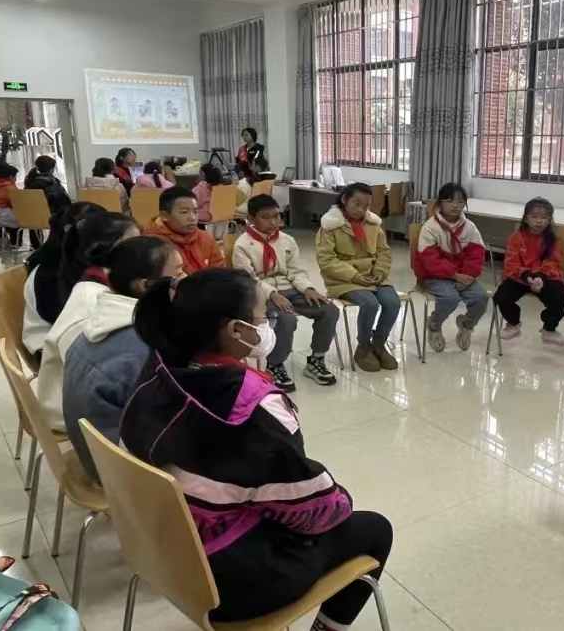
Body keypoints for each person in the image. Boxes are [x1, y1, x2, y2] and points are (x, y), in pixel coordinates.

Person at [121, 268, 393, 627]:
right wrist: (339, 498)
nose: (269, 324)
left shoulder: (155, 373)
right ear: (235, 329)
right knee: (375, 529)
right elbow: (317, 510)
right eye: (265, 316)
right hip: (226, 582)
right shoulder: (251, 407)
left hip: (163, 551)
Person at [62, 236, 184, 482]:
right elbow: (173, 420)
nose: (186, 279)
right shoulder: (146, 348)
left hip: (97, 455)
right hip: (126, 476)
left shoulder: (96, 325)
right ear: (146, 286)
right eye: (179, 273)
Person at [35, 212, 141, 428]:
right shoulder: (92, 304)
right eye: (134, 243)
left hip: (88, 402)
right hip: (76, 416)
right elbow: (92, 375)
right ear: (108, 250)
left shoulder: (95, 281)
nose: (143, 249)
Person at [232, 195, 338, 390]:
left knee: (329, 309)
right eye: (266, 217)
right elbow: (249, 280)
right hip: (262, 296)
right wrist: (272, 294)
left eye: (276, 216)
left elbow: (296, 270)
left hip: (291, 290)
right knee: (286, 319)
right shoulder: (242, 245)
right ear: (252, 218)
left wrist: (308, 288)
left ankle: (316, 359)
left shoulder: (287, 240)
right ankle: (275, 364)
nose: (273, 222)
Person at [316, 183, 399, 372]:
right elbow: (327, 260)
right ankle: (363, 346)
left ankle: (379, 344)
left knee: (393, 302)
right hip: (343, 280)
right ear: (345, 200)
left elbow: (383, 252)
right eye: (357, 204)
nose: (361, 210)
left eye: (366, 206)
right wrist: (354, 276)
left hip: (372, 276)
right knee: (370, 303)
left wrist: (380, 272)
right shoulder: (330, 225)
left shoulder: (373, 224)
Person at [412, 183, 488, 352]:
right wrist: (454, 275)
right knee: (450, 298)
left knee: (481, 297)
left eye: (460, 202)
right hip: (435, 276)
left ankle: (467, 325)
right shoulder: (430, 227)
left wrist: (468, 275)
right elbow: (429, 260)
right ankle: (434, 325)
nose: (455, 205)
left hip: (463, 276)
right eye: (450, 201)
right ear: (440, 203)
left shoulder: (470, 227)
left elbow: (476, 255)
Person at [23, 202, 105, 355]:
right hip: (53, 353)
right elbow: (75, 326)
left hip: (63, 345)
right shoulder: (51, 275)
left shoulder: (54, 262)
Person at [493, 197, 564, 345]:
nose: (539, 221)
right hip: (520, 277)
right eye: (534, 217)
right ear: (526, 218)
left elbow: (553, 262)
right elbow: (512, 263)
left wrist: (540, 276)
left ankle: (549, 329)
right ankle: (513, 323)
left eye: (544, 218)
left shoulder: (553, 240)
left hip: (546, 277)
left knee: (560, 298)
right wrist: (527, 275)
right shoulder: (516, 237)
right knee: (501, 297)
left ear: (550, 220)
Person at [144, 187, 225, 273]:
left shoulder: (205, 238)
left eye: (195, 212)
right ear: (165, 215)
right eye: (184, 212)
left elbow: (219, 270)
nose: (192, 218)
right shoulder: (153, 245)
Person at [24, 155, 72, 249]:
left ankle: (35, 245)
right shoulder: (51, 183)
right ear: (51, 169)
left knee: (37, 213)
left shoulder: (29, 181)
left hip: (30, 217)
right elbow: (63, 200)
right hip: (50, 216)